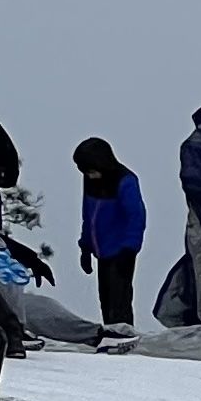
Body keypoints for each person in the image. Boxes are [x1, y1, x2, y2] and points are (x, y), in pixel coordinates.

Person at [71, 136, 146, 335]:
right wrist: (85, 247)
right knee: (105, 299)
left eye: (91, 169)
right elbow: (88, 215)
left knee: (119, 298)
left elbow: (136, 217)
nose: (89, 174)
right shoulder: (90, 180)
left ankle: (124, 335)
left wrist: (130, 249)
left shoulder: (126, 180)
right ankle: (112, 335)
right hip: (101, 251)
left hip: (121, 251)